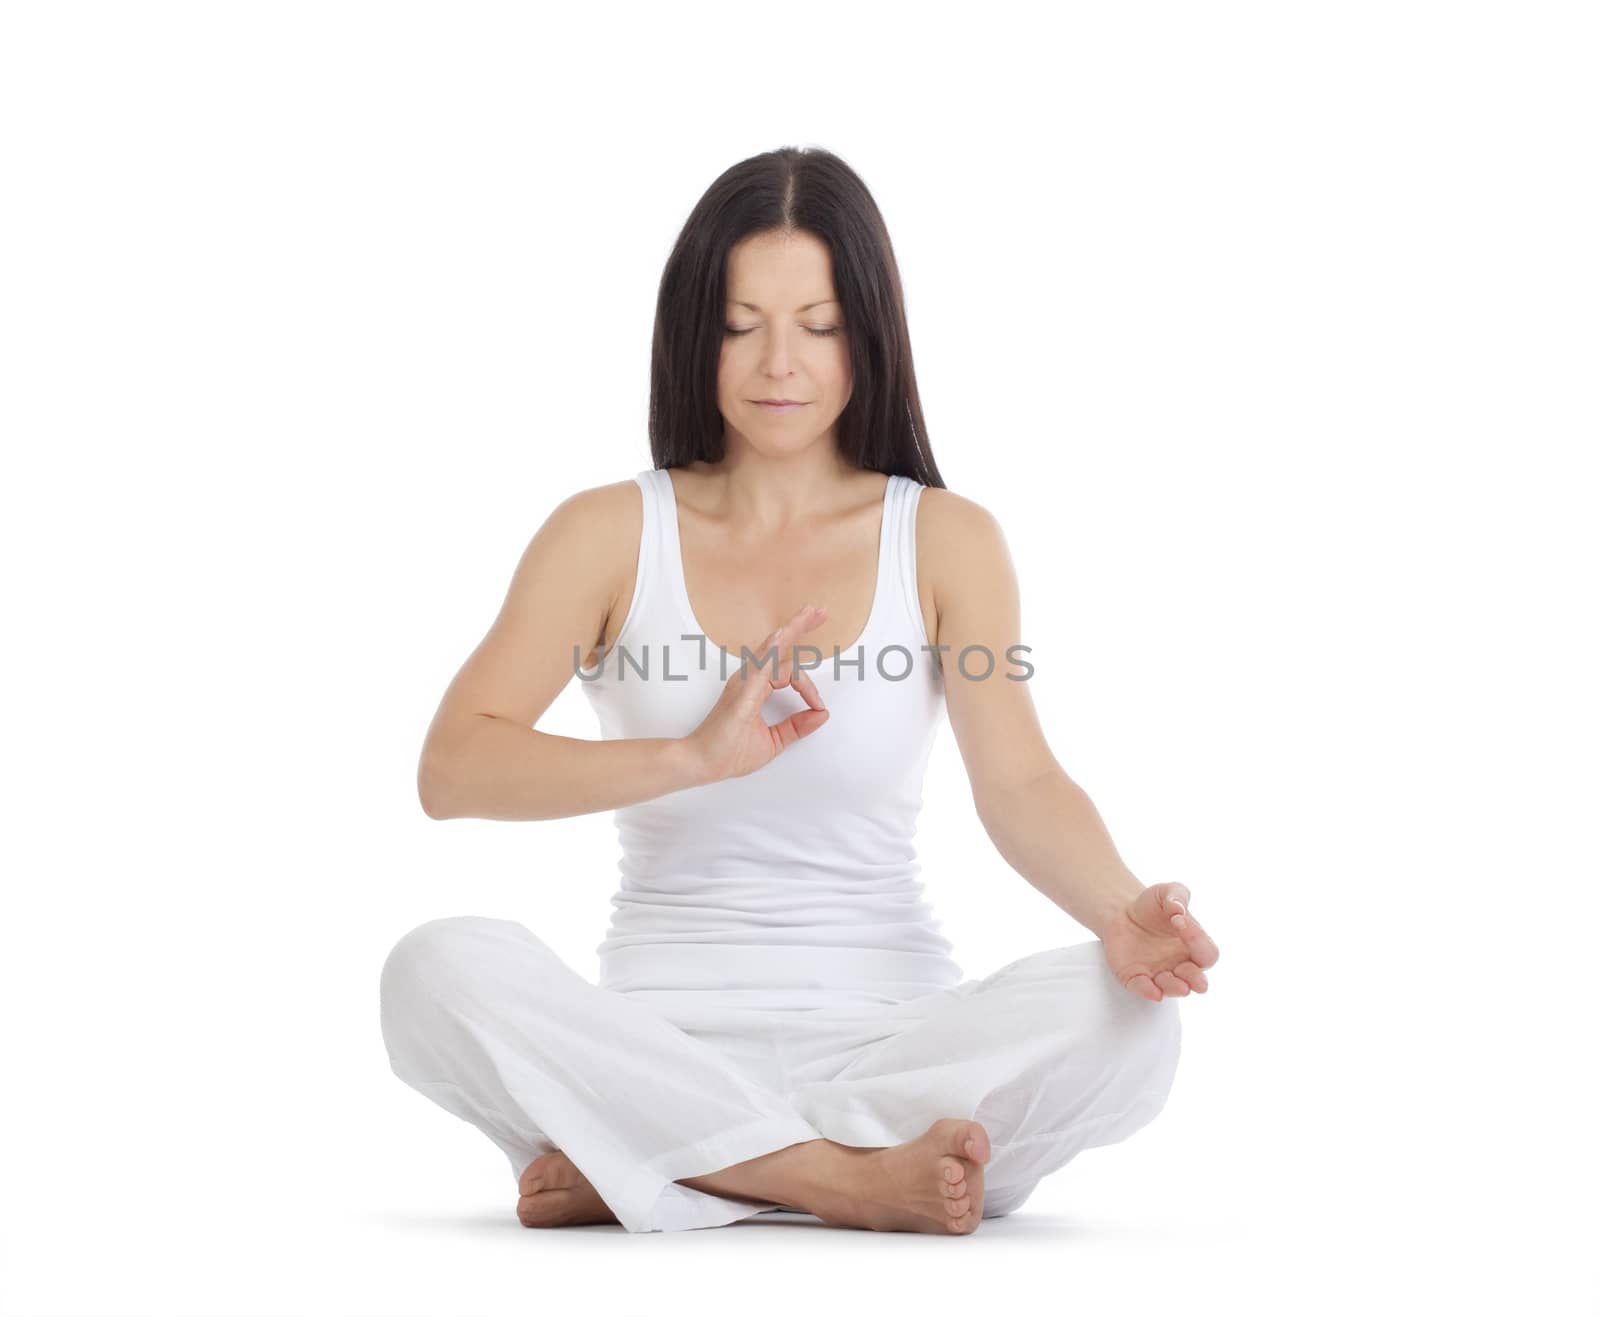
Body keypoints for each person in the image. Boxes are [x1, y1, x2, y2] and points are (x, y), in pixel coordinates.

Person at [379, 146, 1221, 1236]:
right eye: (741, 324)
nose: (780, 363)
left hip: (890, 1031)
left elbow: (1019, 781)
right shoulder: (604, 533)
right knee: (433, 967)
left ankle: (665, 1162)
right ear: (696, 332)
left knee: (1130, 1026)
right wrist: (687, 758)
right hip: (651, 1032)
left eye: (818, 325)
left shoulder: (946, 540)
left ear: (868, 334)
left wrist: (1119, 912)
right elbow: (454, 769)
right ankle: (832, 1176)